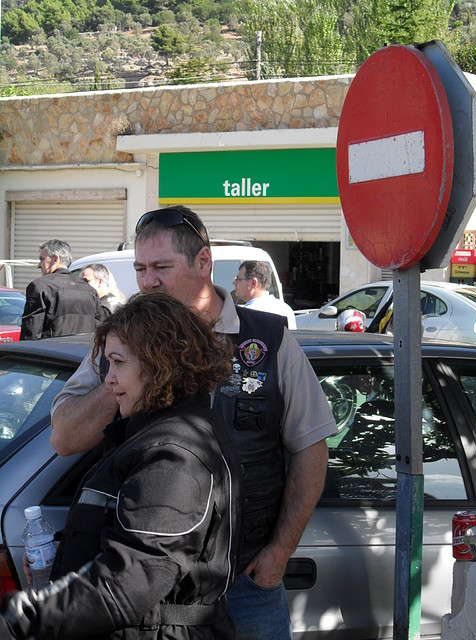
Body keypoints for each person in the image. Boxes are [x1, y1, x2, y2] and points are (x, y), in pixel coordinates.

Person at [49, 206, 338, 640]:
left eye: (161, 267)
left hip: (247, 583)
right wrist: (129, 370)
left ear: (203, 262)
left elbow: (311, 446)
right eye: (141, 269)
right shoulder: (123, 336)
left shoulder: (268, 339)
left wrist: (280, 552)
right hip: (154, 591)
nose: (147, 282)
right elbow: (65, 437)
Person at [1, 290, 241, 640]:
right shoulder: (147, 434)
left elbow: (137, 574)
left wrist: (36, 614)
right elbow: (130, 528)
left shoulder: (175, 452)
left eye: (118, 362)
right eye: (107, 364)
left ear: (160, 363)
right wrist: (65, 546)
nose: (108, 379)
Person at [20, 240, 104, 340]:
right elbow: (98, 330)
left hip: (51, 352)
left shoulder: (39, 286)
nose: (39, 265)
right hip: (82, 353)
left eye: (41, 259)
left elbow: (31, 333)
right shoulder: (90, 291)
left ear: (55, 259)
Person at [233, 260, 297, 329]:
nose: (234, 283)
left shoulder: (246, 314)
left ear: (253, 283)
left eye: (238, 279)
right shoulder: (286, 309)